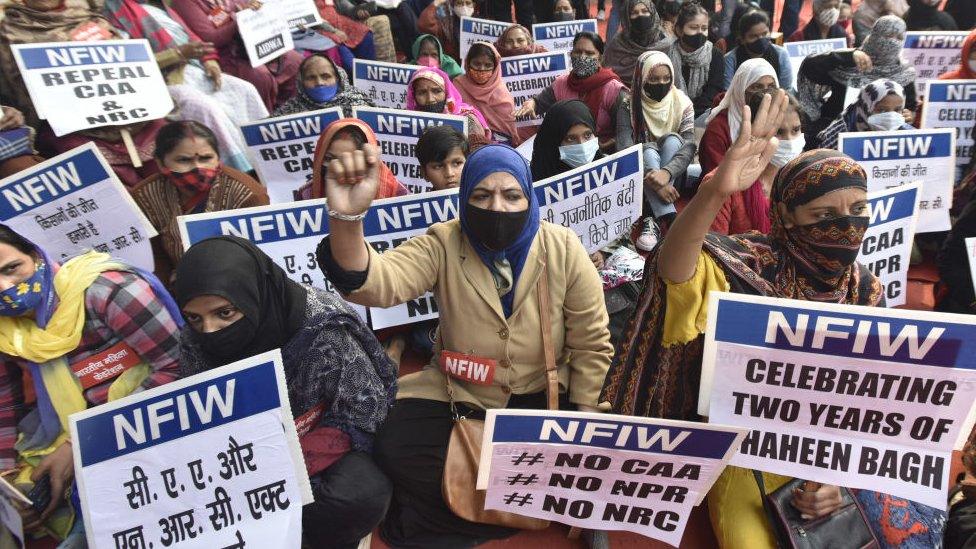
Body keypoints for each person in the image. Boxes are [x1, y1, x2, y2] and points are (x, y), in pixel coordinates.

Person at [600, 91, 944, 549]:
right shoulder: (749, 264)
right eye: (823, 216)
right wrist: (714, 190)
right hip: (748, 454)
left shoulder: (865, 289)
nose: (846, 227)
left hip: (833, 455)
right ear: (785, 215)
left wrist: (840, 482)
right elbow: (674, 271)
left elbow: (878, 409)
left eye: (857, 211)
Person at [314, 140, 613, 547]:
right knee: (392, 444)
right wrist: (347, 218)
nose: (497, 208)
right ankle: (513, 510)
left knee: (588, 457)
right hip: (459, 392)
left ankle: (446, 518)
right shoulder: (443, 241)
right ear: (464, 197)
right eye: (481, 195)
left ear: (529, 195)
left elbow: (592, 343)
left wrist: (582, 423)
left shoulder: (562, 247)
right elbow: (378, 283)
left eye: (512, 196)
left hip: (543, 395)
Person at [174, 236, 397, 549]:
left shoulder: (321, 325)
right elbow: (197, 417)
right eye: (195, 318)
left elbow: (363, 409)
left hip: (317, 446)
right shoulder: (193, 340)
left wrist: (285, 463)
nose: (209, 330)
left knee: (361, 494)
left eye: (224, 314)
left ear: (256, 294)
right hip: (238, 458)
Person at [0, 225, 181, 543]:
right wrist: (7, 479)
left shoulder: (107, 291)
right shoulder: (6, 330)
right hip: (65, 440)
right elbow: (6, 403)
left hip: (156, 431)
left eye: (12, 268)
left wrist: (84, 445)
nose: (5, 288)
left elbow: (179, 368)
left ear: (35, 255)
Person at [103, 0, 269, 172]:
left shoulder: (161, 7)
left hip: (194, 70)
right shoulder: (115, 15)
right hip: (160, 81)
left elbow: (195, 40)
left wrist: (210, 62)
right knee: (203, 107)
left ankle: (267, 152)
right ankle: (240, 170)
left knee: (245, 90)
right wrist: (177, 54)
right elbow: (128, 65)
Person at [132, 120, 269, 284]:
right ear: (160, 162)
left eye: (206, 158)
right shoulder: (146, 195)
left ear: (218, 158)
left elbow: (261, 254)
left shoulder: (247, 194)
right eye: (183, 160)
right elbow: (153, 255)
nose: (197, 168)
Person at [169, 0, 303, 112]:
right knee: (260, 77)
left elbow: (254, 9)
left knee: (295, 61)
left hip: (254, 43)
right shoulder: (185, 2)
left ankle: (287, 114)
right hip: (223, 55)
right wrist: (241, 20)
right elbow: (211, 39)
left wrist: (256, 10)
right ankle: (264, 122)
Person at [796, 15, 916, 137]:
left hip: (885, 138)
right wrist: (847, 56)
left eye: (899, 37)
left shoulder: (904, 73)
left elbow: (911, 106)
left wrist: (909, 114)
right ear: (875, 35)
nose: (894, 42)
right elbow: (810, 66)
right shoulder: (851, 61)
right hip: (836, 132)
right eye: (889, 36)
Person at [619, 51, 696, 224]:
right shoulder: (628, 104)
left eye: (666, 78)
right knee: (648, 152)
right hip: (639, 173)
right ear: (642, 77)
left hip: (675, 174)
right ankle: (669, 218)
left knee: (673, 140)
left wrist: (666, 174)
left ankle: (653, 216)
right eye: (653, 79)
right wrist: (657, 182)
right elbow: (625, 147)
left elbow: (689, 146)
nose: (661, 83)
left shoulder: (683, 104)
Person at [710, 93, 804, 235]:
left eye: (796, 130)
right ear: (755, 131)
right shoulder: (728, 183)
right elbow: (710, 247)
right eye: (778, 132)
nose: (790, 141)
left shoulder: (803, 179)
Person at [516, 32, 629, 149]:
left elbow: (625, 132)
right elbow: (539, 102)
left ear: (600, 57)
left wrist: (606, 145)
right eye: (578, 52)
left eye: (589, 53)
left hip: (605, 153)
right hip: (568, 151)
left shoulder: (613, 89)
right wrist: (532, 103)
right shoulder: (561, 84)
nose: (582, 57)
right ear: (571, 54)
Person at [700, 58, 778, 177]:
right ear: (741, 89)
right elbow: (715, 178)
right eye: (757, 87)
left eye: (771, 86)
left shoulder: (779, 121)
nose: (766, 94)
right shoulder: (719, 128)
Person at [303, 118, 409, 200]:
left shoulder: (398, 194)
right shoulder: (306, 195)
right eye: (329, 158)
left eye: (349, 158)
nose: (336, 166)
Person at [660, 1, 726, 119]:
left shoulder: (715, 55)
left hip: (703, 114)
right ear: (679, 30)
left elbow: (713, 92)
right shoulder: (666, 53)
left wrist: (690, 113)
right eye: (694, 27)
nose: (700, 32)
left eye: (704, 28)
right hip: (669, 113)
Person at [405, 67, 492, 149]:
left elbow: (477, 152)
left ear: (447, 93)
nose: (430, 99)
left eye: (437, 91)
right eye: (422, 93)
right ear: (414, 97)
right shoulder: (405, 119)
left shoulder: (467, 119)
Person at [454, 43, 521, 146]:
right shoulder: (458, 84)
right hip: (464, 139)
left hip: (499, 143)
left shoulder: (502, 93)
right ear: (468, 63)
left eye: (488, 65)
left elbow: (507, 131)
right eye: (476, 64)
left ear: (495, 68)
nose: (481, 69)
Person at [815, 79, 913, 149]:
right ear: (864, 108)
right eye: (882, 110)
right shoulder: (836, 137)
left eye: (897, 110)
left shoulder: (905, 132)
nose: (891, 116)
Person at [273, 54, 376, 117]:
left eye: (326, 76)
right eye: (311, 78)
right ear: (301, 83)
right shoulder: (289, 111)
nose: (319, 83)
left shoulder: (357, 105)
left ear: (338, 78)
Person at [603, 0, 670, 88]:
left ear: (652, 13)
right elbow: (607, 74)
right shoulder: (618, 43)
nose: (640, 16)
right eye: (634, 13)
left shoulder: (664, 42)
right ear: (627, 17)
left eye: (645, 11)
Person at [531, 99, 602, 181]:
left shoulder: (612, 170)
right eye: (571, 139)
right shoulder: (535, 186)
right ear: (554, 143)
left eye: (588, 135)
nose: (582, 146)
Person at [723, 9, 794, 91]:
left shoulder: (781, 54)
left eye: (764, 34)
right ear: (742, 39)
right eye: (753, 36)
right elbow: (728, 93)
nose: (761, 39)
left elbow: (786, 90)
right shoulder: (730, 60)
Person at [336, 0, 418, 59]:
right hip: (354, 14)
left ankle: (418, 52)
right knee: (398, 19)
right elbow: (346, 8)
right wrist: (357, 10)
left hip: (371, 6)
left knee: (402, 8)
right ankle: (418, 50)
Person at [416, 125, 468, 191]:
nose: (449, 173)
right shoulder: (416, 201)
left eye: (457, 163)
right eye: (438, 166)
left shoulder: (482, 199)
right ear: (424, 173)